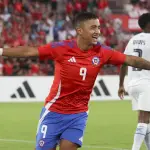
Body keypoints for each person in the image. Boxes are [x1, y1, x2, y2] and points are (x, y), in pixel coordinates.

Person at [2, 12, 150, 150]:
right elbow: (29, 51)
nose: (97, 31)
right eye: (93, 28)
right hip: (53, 112)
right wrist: (1, 51)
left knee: (68, 147)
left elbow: (131, 60)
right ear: (80, 31)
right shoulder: (62, 48)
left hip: (78, 115)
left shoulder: (103, 52)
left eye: (98, 27)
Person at [118, 13, 150, 150]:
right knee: (143, 119)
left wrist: (121, 85)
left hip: (132, 84)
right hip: (145, 83)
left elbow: (123, 62)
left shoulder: (132, 40)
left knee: (146, 119)